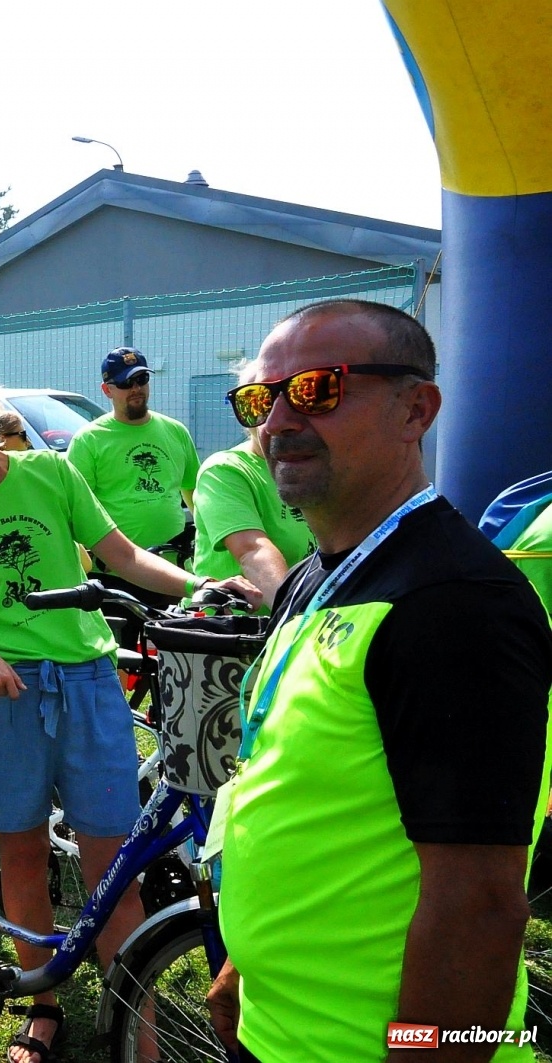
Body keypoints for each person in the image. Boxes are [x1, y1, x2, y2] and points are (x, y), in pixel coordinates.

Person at [204, 301, 552, 1063]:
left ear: (415, 408)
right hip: (279, 1027)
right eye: (263, 399)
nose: (280, 420)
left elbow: (481, 909)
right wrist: (243, 963)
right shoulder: (316, 578)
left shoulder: (456, 603)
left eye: (320, 389)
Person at [0, 360, 258, 1063]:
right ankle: (43, 1004)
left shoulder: (52, 474)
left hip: (90, 681)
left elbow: (120, 554)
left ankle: (139, 1028)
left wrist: (203, 583)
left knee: (111, 864)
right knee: (23, 854)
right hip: (6, 698)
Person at [189, 362, 314, 608]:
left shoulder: (304, 465)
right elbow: (252, 550)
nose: (273, 418)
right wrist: (295, 616)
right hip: (236, 627)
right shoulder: (225, 470)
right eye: (256, 403)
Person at [67, 347, 200, 558]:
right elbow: (77, 508)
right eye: (125, 383)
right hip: (116, 569)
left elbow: (192, 490)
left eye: (142, 379)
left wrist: (205, 535)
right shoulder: (89, 440)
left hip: (176, 561)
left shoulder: (175, 431)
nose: (136, 388)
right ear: (107, 390)